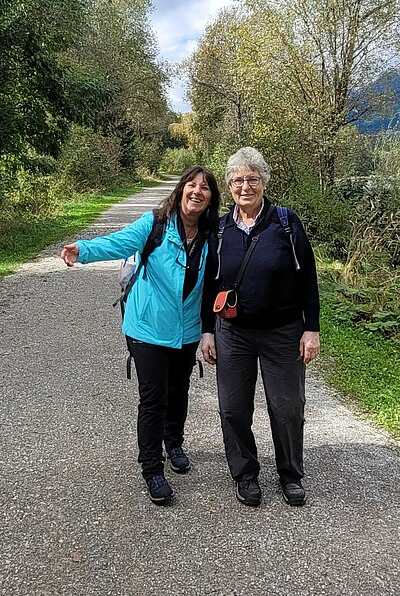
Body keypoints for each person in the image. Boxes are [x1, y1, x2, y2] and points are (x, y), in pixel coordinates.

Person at [61, 166, 220, 505]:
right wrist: (84, 251)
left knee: (179, 391)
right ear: (179, 191)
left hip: (187, 329)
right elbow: (119, 242)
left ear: (211, 198)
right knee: (154, 398)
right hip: (147, 327)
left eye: (204, 188)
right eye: (191, 185)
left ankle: (173, 442)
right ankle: (152, 469)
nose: (197, 192)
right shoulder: (155, 224)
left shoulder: (212, 235)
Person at [201, 147, 320, 508]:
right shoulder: (219, 229)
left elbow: (309, 279)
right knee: (233, 408)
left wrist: (311, 329)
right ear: (229, 185)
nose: (245, 186)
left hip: (283, 331)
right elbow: (209, 284)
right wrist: (207, 331)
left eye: (252, 178)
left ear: (264, 182)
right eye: (237, 180)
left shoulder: (285, 222)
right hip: (233, 333)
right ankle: (245, 473)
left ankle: (290, 474)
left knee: (287, 408)